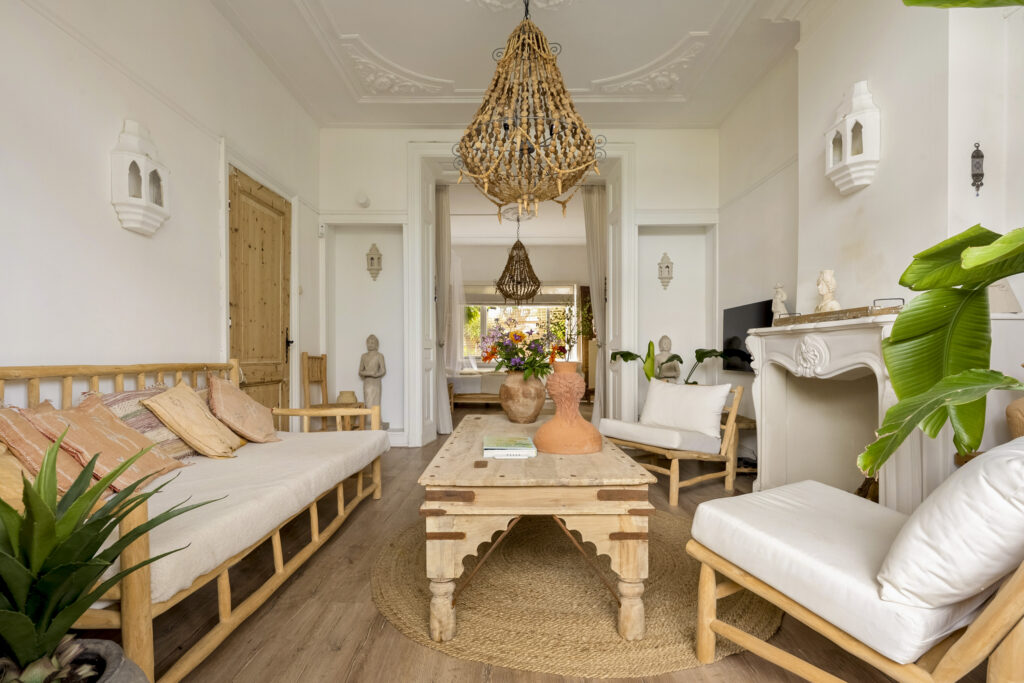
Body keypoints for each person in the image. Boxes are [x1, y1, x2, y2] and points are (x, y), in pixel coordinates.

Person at [359, 334, 387, 414]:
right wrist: (369, 373)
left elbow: (383, 370)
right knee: (368, 401)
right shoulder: (364, 356)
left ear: (376, 344)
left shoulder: (379, 356)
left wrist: (375, 374)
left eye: (372, 342)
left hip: (376, 382)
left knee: (376, 402)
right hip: (367, 382)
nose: (370, 344)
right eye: (369, 343)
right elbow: (360, 372)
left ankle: (377, 420)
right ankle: (368, 420)